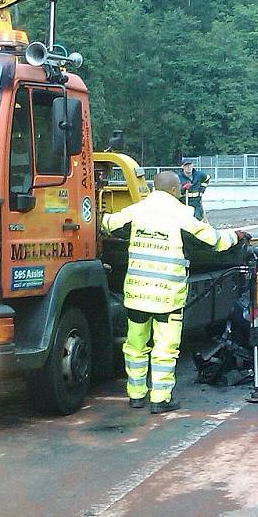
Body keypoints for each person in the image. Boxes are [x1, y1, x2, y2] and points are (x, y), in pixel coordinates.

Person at [101, 171, 246, 414]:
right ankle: (160, 398)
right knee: (164, 350)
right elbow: (214, 241)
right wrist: (236, 236)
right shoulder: (182, 215)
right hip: (167, 297)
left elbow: (107, 224)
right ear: (174, 190)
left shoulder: (136, 211)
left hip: (137, 294)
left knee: (135, 345)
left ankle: (136, 395)